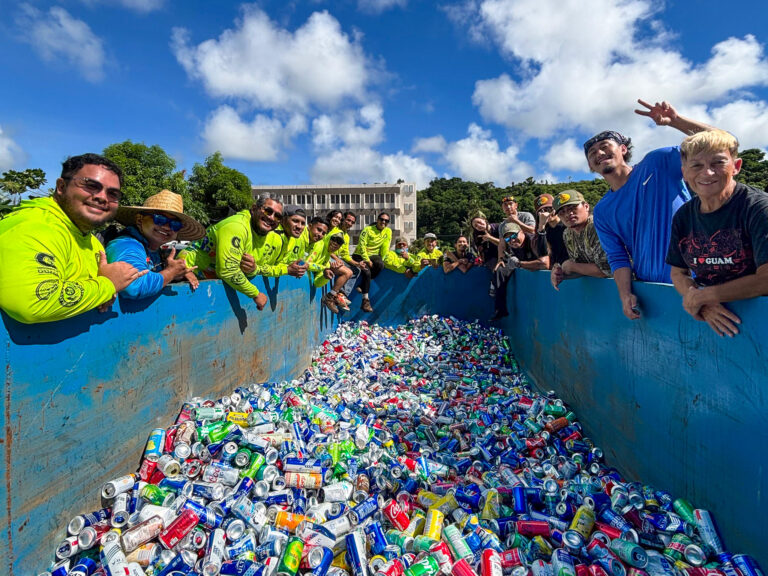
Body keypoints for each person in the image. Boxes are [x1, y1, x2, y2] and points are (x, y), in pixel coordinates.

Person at [588, 98, 715, 320]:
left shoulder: (658, 162)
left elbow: (719, 143)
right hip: (654, 294)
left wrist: (676, 121)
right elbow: (618, 257)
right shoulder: (602, 211)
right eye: (592, 153)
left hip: (703, 280)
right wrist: (625, 294)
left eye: (604, 146)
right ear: (591, 167)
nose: (598, 153)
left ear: (623, 149)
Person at [0, 153, 146, 323]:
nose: (102, 197)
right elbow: (32, 303)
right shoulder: (35, 226)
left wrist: (102, 292)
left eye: (113, 193)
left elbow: (98, 289)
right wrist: (107, 285)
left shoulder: (92, 242)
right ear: (61, 187)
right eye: (91, 186)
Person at [666, 130, 768, 337]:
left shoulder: (758, 208)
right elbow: (678, 272)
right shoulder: (683, 216)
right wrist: (698, 299)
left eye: (718, 163)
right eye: (697, 165)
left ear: (736, 166)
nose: (707, 173)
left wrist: (706, 296)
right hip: (720, 324)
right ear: (684, 172)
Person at [184, 195, 284, 310]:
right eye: (268, 211)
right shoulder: (237, 226)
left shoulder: (265, 236)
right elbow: (228, 270)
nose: (271, 218)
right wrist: (255, 294)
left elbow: (254, 268)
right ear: (254, 208)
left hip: (212, 285)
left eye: (277, 216)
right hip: (188, 273)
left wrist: (252, 269)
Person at [106, 189, 204, 300]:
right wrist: (170, 273)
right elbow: (132, 285)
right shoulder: (126, 244)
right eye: (160, 219)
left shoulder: (154, 250)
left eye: (175, 224)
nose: (167, 227)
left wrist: (177, 275)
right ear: (139, 220)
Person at [550, 190, 611, 291]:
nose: (568, 214)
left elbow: (608, 270)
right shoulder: (568, 234)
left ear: (586, 206)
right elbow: (582, 267)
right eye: (562, 212)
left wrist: (571, 267)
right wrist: (560, 272)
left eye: (572, 208)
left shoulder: (596, 227)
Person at [491, 222, 549, 320]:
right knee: (501, 270)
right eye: (508, 239)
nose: (512, 240)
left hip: (551, 281)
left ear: (522, 232)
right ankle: (500, 309)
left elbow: (545, 264)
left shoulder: (533, 240)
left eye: (514, 235)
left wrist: (520, 264)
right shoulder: (513, 246)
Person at [352, 211, 392, 312]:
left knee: (380, 264)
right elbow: (361, 246)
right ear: (377, 220)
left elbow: (385, 248)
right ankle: (365, 301)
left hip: (373, 256)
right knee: (367, 272)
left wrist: (384, 259)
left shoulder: (388, 232)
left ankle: (362, 285)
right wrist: (367, 260)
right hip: (360, 255)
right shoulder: (368, 230)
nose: (383, 222)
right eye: (381, 219)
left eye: (386, 221)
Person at [309, 233, 354, 313]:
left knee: (350, 272)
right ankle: (334, 296)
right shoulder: (319, 245)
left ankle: (332, 296)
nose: (335, 243)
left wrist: (327, 274)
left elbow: (317, 283)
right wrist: (325, 268)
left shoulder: (327, 254)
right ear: (328, 238)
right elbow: (307, 264)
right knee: (348, 272)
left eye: (339, 243)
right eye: (333, 239)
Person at [534, 193, 568, 266]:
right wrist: (541, 226)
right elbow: (543, 254)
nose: (546, 213)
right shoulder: (544, 231)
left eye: (549, 209)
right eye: (542, 211)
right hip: (556, 269)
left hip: (570, 267)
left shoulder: (567, 225)